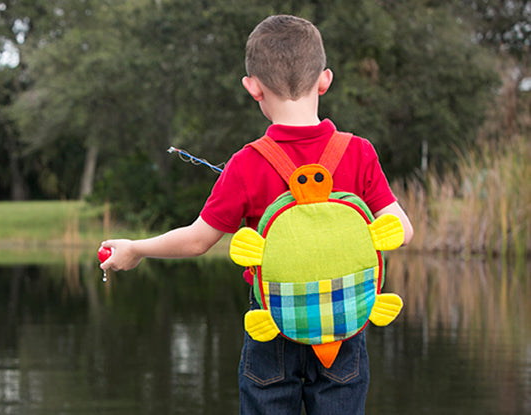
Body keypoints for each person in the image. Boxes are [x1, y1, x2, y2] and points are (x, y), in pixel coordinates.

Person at [99, 14, 414, 415]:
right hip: (344, 326)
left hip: (271, 327)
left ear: (253, 88)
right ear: (324, 80)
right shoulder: (359, 153)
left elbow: (198, 240)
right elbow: (402, 232)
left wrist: (136, 248)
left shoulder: (247, 164)